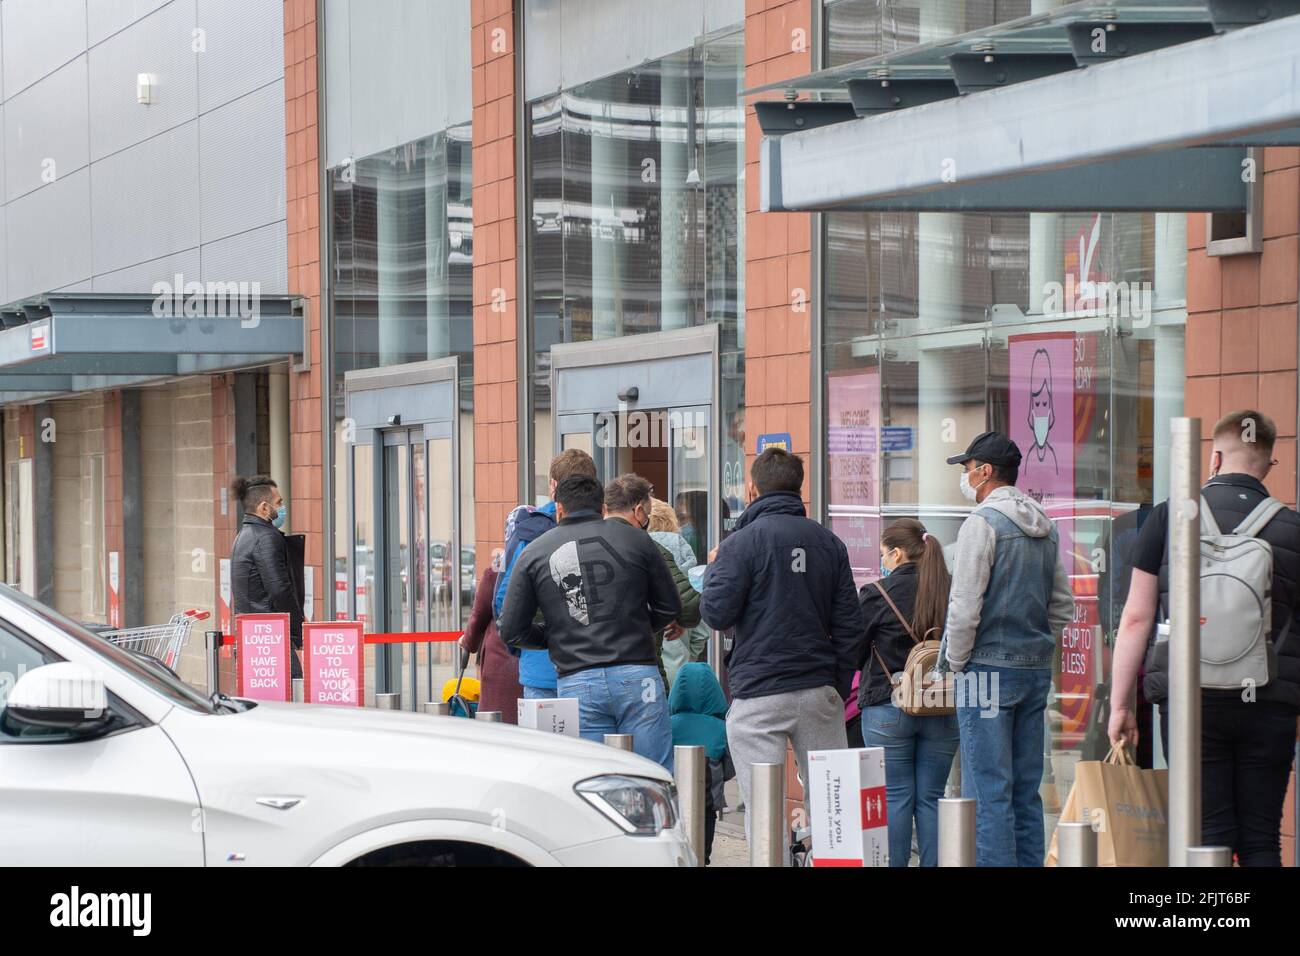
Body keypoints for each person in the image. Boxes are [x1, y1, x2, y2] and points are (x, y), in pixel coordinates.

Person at [1108, 409, 1300, 866]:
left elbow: (1135, 618)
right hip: (1269, 700)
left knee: (1205, 833)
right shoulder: (1292, 528)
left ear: (1213, 457)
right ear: (1269, 464)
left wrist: (1120, 706)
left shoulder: (1167, 517)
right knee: (1260, 838)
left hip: (1190, 700)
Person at [700, 447, 864, 857]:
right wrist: (836, 686)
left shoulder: (741, 543)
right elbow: (850, 627)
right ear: (799, 488)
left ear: (752, 488)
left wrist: (716, 569)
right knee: (832, 804)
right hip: (818, 688)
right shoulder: (830, 543)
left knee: (763, 808)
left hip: (759, 691)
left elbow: (716, 614)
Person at [941, 432, 1074, 867]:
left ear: (984, 471)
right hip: (1033, 670)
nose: (965, 476)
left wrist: (956, 664)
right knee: (1024, 788)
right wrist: (1036, 648)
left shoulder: (981, 523)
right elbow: (1062, 606)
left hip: (984, 671)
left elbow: (964, 610)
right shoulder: (1045, 525)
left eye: (967, 468)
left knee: (987, 790)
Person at [498, 474, 681, 769]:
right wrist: (635, 627)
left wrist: (553, 636)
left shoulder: (535, 552)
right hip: (638, 674)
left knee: (593, 779)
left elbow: (510, 629)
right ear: (602, 506)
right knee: (653, 773)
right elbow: (669, 606)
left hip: (578, 679)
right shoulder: (638, 539)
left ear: (559, 509)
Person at [859, 518, 959, 867]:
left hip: (889, 706)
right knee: (932, 797)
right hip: (943, 705)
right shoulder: (951, 590)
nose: (882, 561)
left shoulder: (877, 594)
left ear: (898, 554)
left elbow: (856, 651)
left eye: (884, 554)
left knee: (896, 797)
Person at [494, 449, 598, 701]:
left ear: (553, 485)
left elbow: (505, 602)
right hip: (596, 666)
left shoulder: (530, 531)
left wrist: (526, 646)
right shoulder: (608, 529)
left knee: (543, 741)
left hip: (541, 667)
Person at [229, 475, 305, 678]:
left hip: (255, 639)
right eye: (279, 502)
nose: (282, 507)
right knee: (291, 700)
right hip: (272, 639)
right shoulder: (266, 538)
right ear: (264, 508)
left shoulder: (243, 535)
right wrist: (300, 628)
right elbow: (279, 589)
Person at [670, 662, 734, 865]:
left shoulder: (666, 724)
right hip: (706, 806)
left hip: (673, 804)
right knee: (701, 856)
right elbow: (730, 768)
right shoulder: (721, 728)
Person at [649, 497, 707, 687]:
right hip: (680, 669)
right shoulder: (686, 557)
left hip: (645, 673)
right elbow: (701, 627)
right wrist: (689, 655)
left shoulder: (636, 554)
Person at [459, 565, 523, 722]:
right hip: (539, 663)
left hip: (501, 663)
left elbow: (478, 616)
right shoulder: (549, 560)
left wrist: (468, 642)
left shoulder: (496, 572)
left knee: (496, 723)